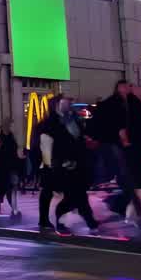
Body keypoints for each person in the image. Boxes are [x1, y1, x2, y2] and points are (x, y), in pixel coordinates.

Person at [92, 79, 141, 224]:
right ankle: (137, 212)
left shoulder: (134, 103)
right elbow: (105, 124)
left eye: (129, 86)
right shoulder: (112, 104)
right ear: (119, 88)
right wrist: (119, 134)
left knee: (129, 180)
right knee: (128, 179)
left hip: (131, 147)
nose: (128, 88)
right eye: (125, 86)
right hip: (118, 146)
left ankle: (118, 204)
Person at [40, 95, 100, 236]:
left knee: (78, 195)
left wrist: (86, 141)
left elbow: (79, 138)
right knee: (77, 195)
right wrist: (55, 163)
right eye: (65, 102)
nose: (69, 104)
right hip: (63, 165)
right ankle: (87, 221)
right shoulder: (51, 123)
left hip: (77, 163)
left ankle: (87, 221)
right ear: (57, 105)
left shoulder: (73, 119)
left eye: (69, 102)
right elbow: (47, 145)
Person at [0, 120, 23, 221]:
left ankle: (14, 209)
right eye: (9, 125)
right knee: (5, 188)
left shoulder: (11, 137)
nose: (10, 127)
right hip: (2, 168)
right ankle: (4, 203)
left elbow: (14, 151)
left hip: (11, 167)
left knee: (12, 188)